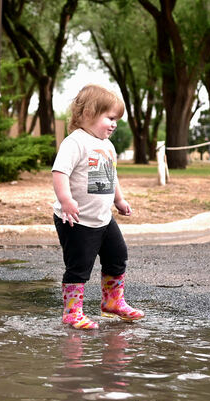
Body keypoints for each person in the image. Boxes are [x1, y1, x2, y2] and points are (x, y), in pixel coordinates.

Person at [52, 84, 144, 329]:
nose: (114, 124)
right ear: (88, 114)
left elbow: (110, 176)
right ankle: (72, 312)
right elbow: (60, 172)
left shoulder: (107, 146)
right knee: (79, 265)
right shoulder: (75, 143)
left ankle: (112, 302)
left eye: (117, 119)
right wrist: (66, 200)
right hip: (77, 219)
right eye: (110, 118)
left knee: (117, 256)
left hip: (103, 218)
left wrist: (119, 200)